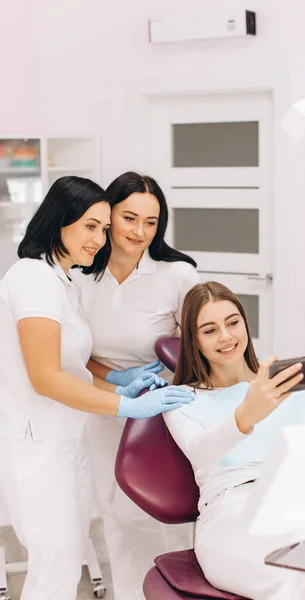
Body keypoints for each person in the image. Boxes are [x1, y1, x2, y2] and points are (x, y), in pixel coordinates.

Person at [0, 176, 194, 600]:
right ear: (59, 219)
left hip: (69, 438)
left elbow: (71, 360)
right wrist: (125, 404)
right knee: (55, 566)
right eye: (91, 226)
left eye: (102, 229)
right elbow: (46, 377)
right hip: (41, 444)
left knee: (66, 563)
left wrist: (116, 381)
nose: (99, 238)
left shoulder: (62, 280)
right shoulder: (33, 279)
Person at [164, 282, 305, 600]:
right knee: (299, 580)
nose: (227, 336)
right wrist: (246, 415)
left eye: (233, 322)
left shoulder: (287, 387)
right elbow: (200, 452)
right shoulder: (181, 398)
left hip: (303, 506)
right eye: (210, 330)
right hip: (232, 513)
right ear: (194, 341)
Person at [72, 171, 201, 600]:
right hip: (105, 406)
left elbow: (206, 343)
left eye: (151, 221)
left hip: (167, 410)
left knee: (170, 511)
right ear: (108, 214)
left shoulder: (177, 275)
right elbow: (72, 351)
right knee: (116, 512)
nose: (141, 232)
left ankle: (183, 591)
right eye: (130, 218)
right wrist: (113, 378)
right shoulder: (80, 276)